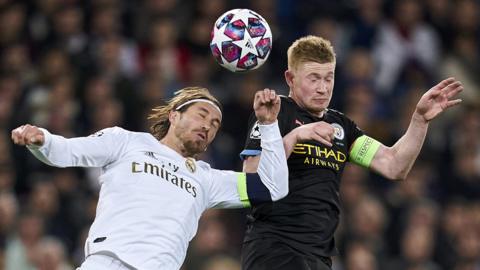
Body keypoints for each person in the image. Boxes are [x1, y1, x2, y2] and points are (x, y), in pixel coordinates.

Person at [240, 35, 463, 270]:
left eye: (329, 78)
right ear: (290, 78)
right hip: (274, 250)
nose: (323, 88)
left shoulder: (341, 127)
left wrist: (419, 120)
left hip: (319, 255)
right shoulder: (274, 112)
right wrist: (295, 136)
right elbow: (252, 179)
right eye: (313, 78)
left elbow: (393, 165)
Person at [11, 87, 290, 270]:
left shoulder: (206, 179)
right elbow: (67, 151)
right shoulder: (127, 142)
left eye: (215, 124)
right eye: (202, 115)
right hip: (106, 262)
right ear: (174, 116)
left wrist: (268, 124)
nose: (207, 125)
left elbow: (272, 187)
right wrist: (42, 139)